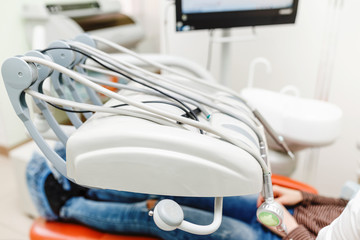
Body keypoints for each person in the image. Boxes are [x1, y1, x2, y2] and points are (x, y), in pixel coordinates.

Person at [26, 144, 360, 240]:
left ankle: (66, 206)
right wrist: (303, 199)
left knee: (165, 214)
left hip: (284, 234)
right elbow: (346, 205)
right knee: (185, 189)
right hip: (290, 215)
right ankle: (90, 186)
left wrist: (288, 227)